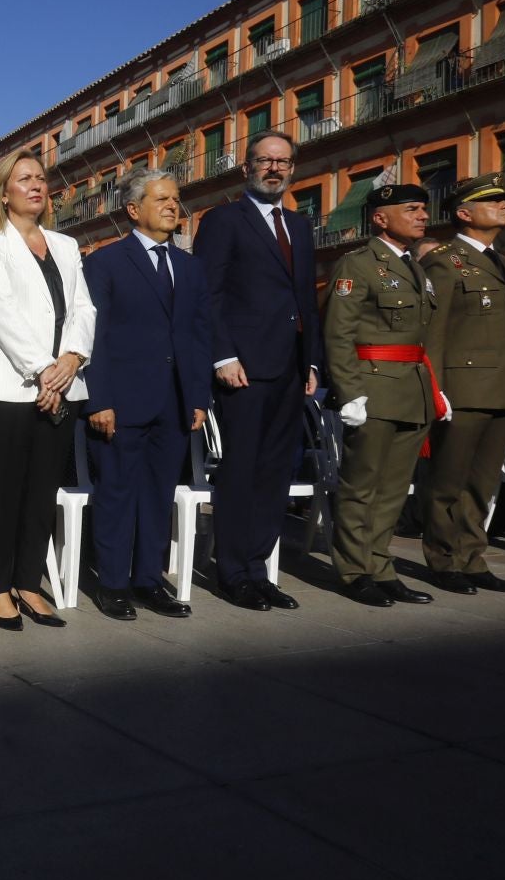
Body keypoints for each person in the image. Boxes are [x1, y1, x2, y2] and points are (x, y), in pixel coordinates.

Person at [193, 129, 321, 611]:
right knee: (242, 471)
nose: (274, 169)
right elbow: (208, 294)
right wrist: (222, 356)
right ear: (246, 167)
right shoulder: (224, 220)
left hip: (290, 366)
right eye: (265, 161)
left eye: (283, 162)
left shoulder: (301, 226)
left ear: (292, 169)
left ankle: (259, 569)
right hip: (242, 368)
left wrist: (312, 360)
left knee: (275, 475)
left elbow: (307, 297)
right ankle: (232, 573)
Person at [0, 148, 95, 628]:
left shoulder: (65, 244)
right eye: (25, 179)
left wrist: (72, 360)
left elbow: (84, 309)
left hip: (64, 385)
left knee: (42, 493)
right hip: (7, 387)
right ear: (4, 192)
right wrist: (44, 369)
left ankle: (27, 582)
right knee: (3, 494)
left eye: (41, 178)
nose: (37, 185)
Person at [83, 168, 210, 621]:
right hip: (121, 401)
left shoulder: (190, 267)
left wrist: (197, 396)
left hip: (173, 402)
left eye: (176, 198)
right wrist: (99, 399)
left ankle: (149, 580)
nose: (173, 206)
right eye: (162, 199)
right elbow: (93, 336)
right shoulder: (106, 262)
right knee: (117, 492)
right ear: (134, 209)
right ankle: (114, 584)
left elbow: (196, 334)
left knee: (158, 494)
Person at [324, 185, 445, 607]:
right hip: (372, 389)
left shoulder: (415, 267)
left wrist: (434, 388)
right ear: (380, 217)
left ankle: (380, 565)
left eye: (423, 209)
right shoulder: (357, 265)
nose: (421, 216)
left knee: (394, 490)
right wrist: (350, 392)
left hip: (412, 389)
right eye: (410, 209)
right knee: (362, 486)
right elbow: (338, 334)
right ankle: (354, 570)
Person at [415, 178, 505, 594]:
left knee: (482, 483)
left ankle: (472, 558)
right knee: (447, 482)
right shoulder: (445, 262)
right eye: (493, 200)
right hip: (462, 390)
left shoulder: (504, 263)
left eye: (504, 199)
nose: (503, 205)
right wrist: (436, 390)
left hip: (504, 388)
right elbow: (433, 333)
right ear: (464, 213)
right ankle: (444, 560)